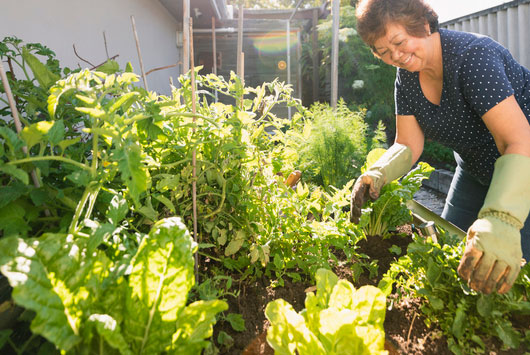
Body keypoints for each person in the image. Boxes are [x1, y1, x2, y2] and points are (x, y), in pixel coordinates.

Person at [350, 0, 530, 295]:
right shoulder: (406, 76)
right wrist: (377, 174)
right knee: (449, 254)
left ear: (421, 25)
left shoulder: (472, 58)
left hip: (523, 169)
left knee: (512, 276)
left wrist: (502, 218)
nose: (396, 55)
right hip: (475, 168)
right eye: (383, 52)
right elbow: (408, 143)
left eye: (399, 42)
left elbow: (518, 140)